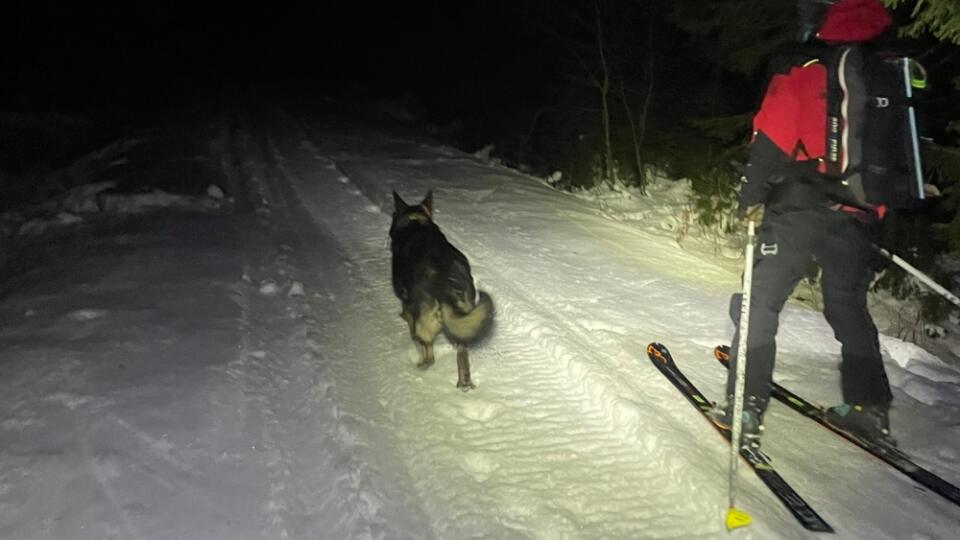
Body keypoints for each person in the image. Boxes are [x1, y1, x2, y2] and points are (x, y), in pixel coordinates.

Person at [713, 0, 897, 447]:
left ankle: (746, 408)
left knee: (761, 301)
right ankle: (869, 409)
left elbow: (771, 136)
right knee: (847, 306)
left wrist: (750, 197)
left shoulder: (803, 65)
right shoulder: (884, 69)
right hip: (857, 212)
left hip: (797, 206)